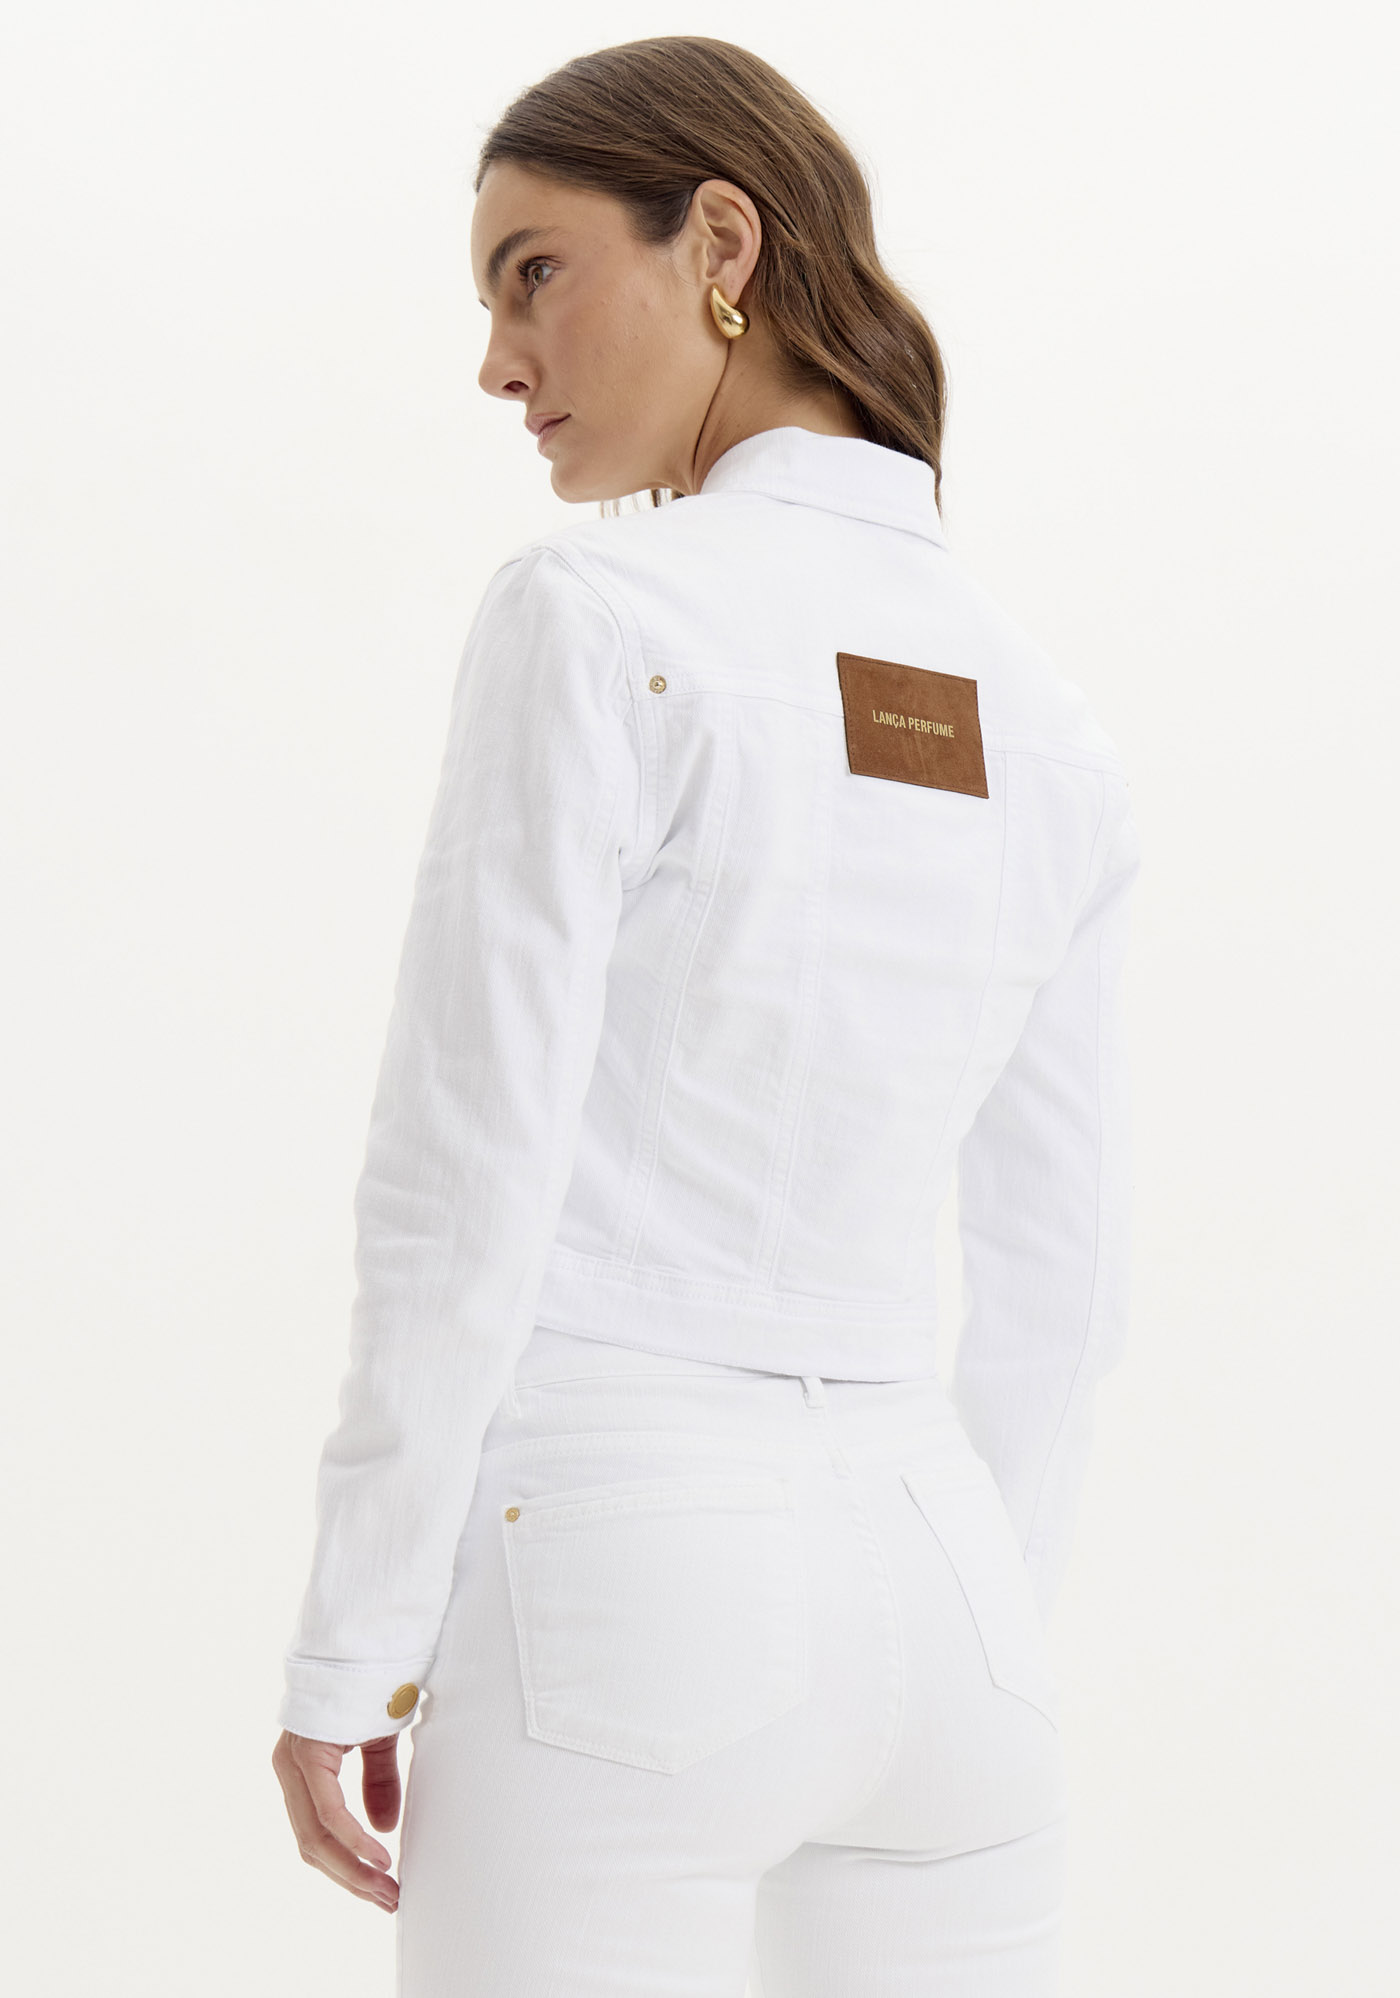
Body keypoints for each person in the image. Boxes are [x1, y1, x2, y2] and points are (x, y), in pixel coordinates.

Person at [270, 34, 1142, 1997]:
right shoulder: (1048, 723)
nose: (499, 363)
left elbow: (460, 1178)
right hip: (953, 1607)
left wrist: (355, 1644)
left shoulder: (600, 617)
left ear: (720, 243)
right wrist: (979, 1613)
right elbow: (1064, 1276)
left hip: (617, 1573)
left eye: (533, 274)